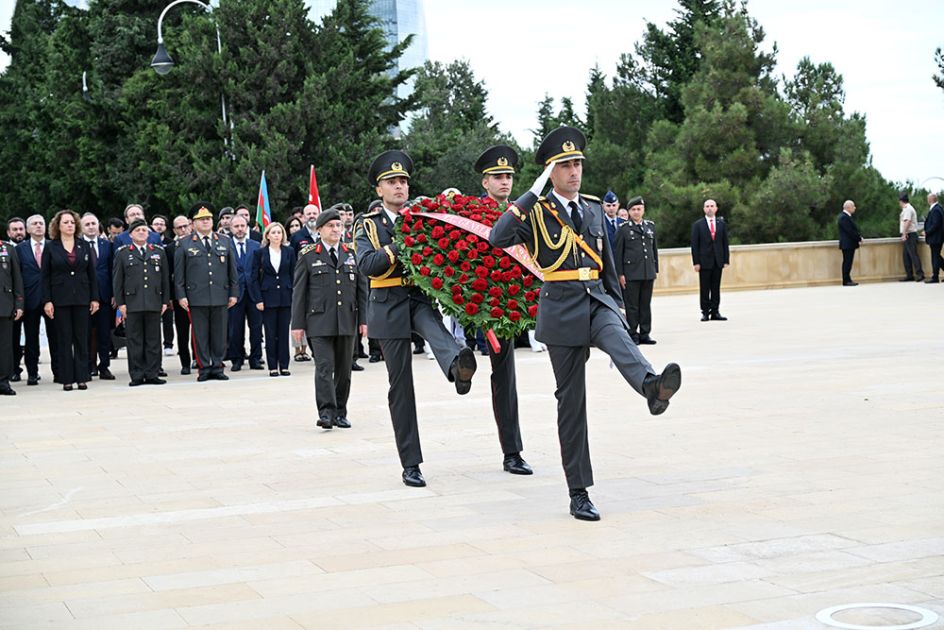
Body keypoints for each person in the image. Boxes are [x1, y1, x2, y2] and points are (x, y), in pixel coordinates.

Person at [491, 126, 681, 522]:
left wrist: (619, 305)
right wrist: (532, 192)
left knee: (619, 339)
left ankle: (651, 385)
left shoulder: (593, 208)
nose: (575, 171)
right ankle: (578, 492)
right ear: (551, 172)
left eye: (577, 163)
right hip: (560, 308)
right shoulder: (537, 211)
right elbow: (498, 236)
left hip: (596, 299)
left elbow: (606, 261)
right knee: (571, 401)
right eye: (565, 165)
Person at [355, 150, 478, 488]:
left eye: (403, 181)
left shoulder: (419, 217)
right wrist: (400, 245)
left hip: (418, 296)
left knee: (439, 333)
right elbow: (367, 265)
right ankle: (410, 463)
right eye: (392, 182)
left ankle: (458, 367)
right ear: (379, 189)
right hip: (387, 304)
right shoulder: (368, 225)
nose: (399, 186)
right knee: (401, 386)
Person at [475, 144, 533, 475]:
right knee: (504, 377)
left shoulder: (522, 211)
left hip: (528, 300)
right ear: (485, 182)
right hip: (492, 307)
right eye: (498, 177)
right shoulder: (470, 214)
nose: (505, 181)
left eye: (509, 176)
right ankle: (512, 452)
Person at [293, 209, 367, 428]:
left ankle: (340, 412)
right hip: (319, 321)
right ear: (319, 230)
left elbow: (362, 290)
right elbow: (299, 292)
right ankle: (326, 412)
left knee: (344, 371)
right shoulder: (308, 255)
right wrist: (297, 324)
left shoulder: (351, 253)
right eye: (331, 226)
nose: (336, 230)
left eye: (338, 226)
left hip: (347, 320)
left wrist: (364, 320)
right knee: (324, 367)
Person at [174, 202, 238, 382]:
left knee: (219, 334)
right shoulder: (184, 243)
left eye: (208, 219)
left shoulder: (224, 240)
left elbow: (232, 270)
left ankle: (217, 366)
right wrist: (181, 295)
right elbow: (179, 274)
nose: (205, 222)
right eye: (201, 219)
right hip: (196, 296)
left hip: (220, 294)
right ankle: (204, 367)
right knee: (200, 335)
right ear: (193, 223)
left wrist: (233, 293)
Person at [42, 209, 100, 391]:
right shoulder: (51, 247)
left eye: (72, 222)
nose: (69, 225)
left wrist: (95, 298)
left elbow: (92, 274)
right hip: (60, 299)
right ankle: (66, 378)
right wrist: (47, 300)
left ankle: (82, 377)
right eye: (65, 222)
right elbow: (45, 276)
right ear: (58, 226)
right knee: (64, 339)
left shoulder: (84, 245)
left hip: (82, 298)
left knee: (82, 338)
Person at [113, 219, 171, 386]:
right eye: (137, 230)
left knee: (153, 340)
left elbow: (165, 279)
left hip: (154, 301)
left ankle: (152, 373)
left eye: (144, 230)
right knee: (135, 340)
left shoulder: (158, 252)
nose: (141, 233)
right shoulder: (123, 253)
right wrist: (121, 303)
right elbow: (117, 281)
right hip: (132, 303)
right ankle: (137, 375)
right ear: (130, 234)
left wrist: (165, 301)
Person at [16, 214, 58, 385]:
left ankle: (59, 372)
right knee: (31, 339)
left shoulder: (54, 246)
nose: (38, 226)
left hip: (52, 300)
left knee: (55, 337)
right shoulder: (20, 249)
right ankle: (32, 373)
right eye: (34, 224)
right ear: (28, 229)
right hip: (30, 299)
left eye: (41, 223)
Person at [250, 222, 295, 376]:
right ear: (267, 235)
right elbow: (254, 278)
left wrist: (294, 295)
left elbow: (293, 274)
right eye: (273, 232)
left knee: (283, 333)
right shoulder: (260, 253)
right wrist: (258, 299)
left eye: (279, 232)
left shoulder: (289, 251)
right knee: (270, 333)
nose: (277, 235)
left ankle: (284, 365)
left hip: (285, 297)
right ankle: (272, 366)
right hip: (267, 297)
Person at [616, 195, 659, 344]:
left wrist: (655, 269)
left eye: (639, 209)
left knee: (645, 305)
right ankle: (633, 334)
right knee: (632, 306)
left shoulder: (650, 226)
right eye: (633, 209)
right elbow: (618, 253)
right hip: (631, 273)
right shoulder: (623, 229)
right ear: (629, 211)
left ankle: (645, 333)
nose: (636, 212)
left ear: (643, 210)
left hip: (647, 272)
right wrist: (620, 274)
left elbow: (654, 250)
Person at [80, 213, 115, 379]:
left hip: (105, 296)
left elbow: (113, 271)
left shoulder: (107, 245)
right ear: (81, 227)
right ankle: (89, 365)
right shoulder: (77, 245)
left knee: (104, 334)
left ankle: (104, 366)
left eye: (93, 223)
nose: (91, 227)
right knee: (85, 333)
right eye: (87, 224)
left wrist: (114, 294)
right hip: (84, 296)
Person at [226, 214, 263, 371]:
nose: (240, 229)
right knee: (235, 329)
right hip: (234, 294)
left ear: (247, 227)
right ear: (231, 228)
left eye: (242, 226)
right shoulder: (225, 245)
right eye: (236, 226)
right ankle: (237, 359)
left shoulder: (256, 245)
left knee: (256, 328)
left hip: (254, 293)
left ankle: (256, 358)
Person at [691, 199, 730, 321]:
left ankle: (715, 311)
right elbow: (694, 245)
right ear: (704, 209)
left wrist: (726, 259)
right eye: (707, 206)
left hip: (718, 261)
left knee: (715, 288)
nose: (709, 208)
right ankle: (705, 312)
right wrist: (696, 262)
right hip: (704, 262)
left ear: (716, 208)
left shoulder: (721, 224)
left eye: (712, 206)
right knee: (704, 288)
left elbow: (725, 243)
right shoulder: (698, 225)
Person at [164, 215, 193, 374]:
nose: (183, 230)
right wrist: (169, 297)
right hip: (179, 295)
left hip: (199, 294)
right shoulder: (169, 249)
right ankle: (185, 363)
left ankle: (199, 359)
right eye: (179, 227)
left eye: (185, 226)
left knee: (201, 330)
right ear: (174, 230)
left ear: (190, 226)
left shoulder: (199, 243)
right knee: (182, 331)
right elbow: (167, 275)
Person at [0, 239, 24, 395]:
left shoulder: (7, 249)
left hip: (4, 304)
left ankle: (3, 381)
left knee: (4, 346)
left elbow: (17, 278)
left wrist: (19, 304)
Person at [899, 194, 924, 282]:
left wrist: (904, 233)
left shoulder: (908, 209)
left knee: (913, 255)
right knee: (906, 256)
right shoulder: (906, 209)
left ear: (901, 201)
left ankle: (920, 274)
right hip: (908, 234)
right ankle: (909, 275)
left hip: (910, 234)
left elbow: (907, 221)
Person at [837, 200, 863, 286]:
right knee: (847, 262)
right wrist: (859, 238)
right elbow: (850, 231)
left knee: (848, 262)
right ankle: (846, 280)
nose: (855, 208)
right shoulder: (844, 217)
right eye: (853, 206)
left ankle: (848, 279)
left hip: (849, 244)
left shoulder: (846, 217)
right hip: (847, 244)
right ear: (848, 207)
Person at [923, 193, 943, 283]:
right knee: (937, 257)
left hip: (936, 238)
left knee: (935, 257)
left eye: (928, 198)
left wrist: (927, 232)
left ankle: (935, 277)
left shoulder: (936, 210)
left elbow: (935, 224)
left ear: (931, 199)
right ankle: (935, 275)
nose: (927, 200)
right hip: (937, 237)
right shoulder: (938, 208)